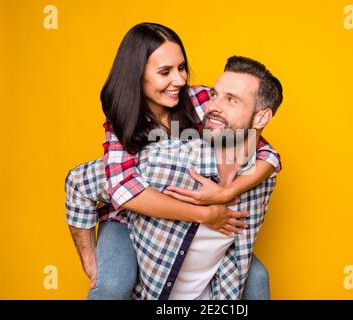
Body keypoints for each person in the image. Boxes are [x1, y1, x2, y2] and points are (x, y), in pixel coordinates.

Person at [66, 23, 281, 299]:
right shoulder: (125, 121)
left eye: (182, 68)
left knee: (257, 277)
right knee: (112, 285)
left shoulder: (200, 99)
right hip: (125, 218)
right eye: (165, 72)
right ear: (137, 76)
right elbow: (124, 190)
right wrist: (205, 214)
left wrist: (228, 191)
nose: (179, 80)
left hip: (188, 225)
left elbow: (260, 147)